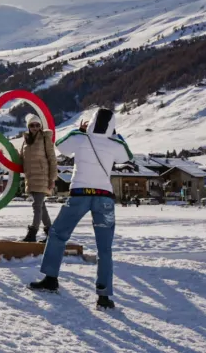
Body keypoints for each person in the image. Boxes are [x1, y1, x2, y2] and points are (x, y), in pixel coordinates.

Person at [29, 107, 132, 311]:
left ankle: (50, 279)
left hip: (80, 195)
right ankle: (103, 297)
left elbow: (60, 146)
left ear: (91, 122)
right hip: (104, 199)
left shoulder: (80, 138)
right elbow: (126, 156)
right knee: (104, 248)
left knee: (58, 234)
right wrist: (114, 134)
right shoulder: (115, 143)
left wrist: (81, 130)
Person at [19, 114, 57, 243]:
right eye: (32, 125)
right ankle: (50, 233)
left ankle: (32, 233)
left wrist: (52, 179)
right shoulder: (26, 140)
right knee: (41, 207)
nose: (35, 127)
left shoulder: (45, 138)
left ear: (40, 126)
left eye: (37, 125)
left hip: (42, 177)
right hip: (30, 177)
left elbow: (52, 158)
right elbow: (21, 158)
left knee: (37, 205)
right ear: (28, 127)